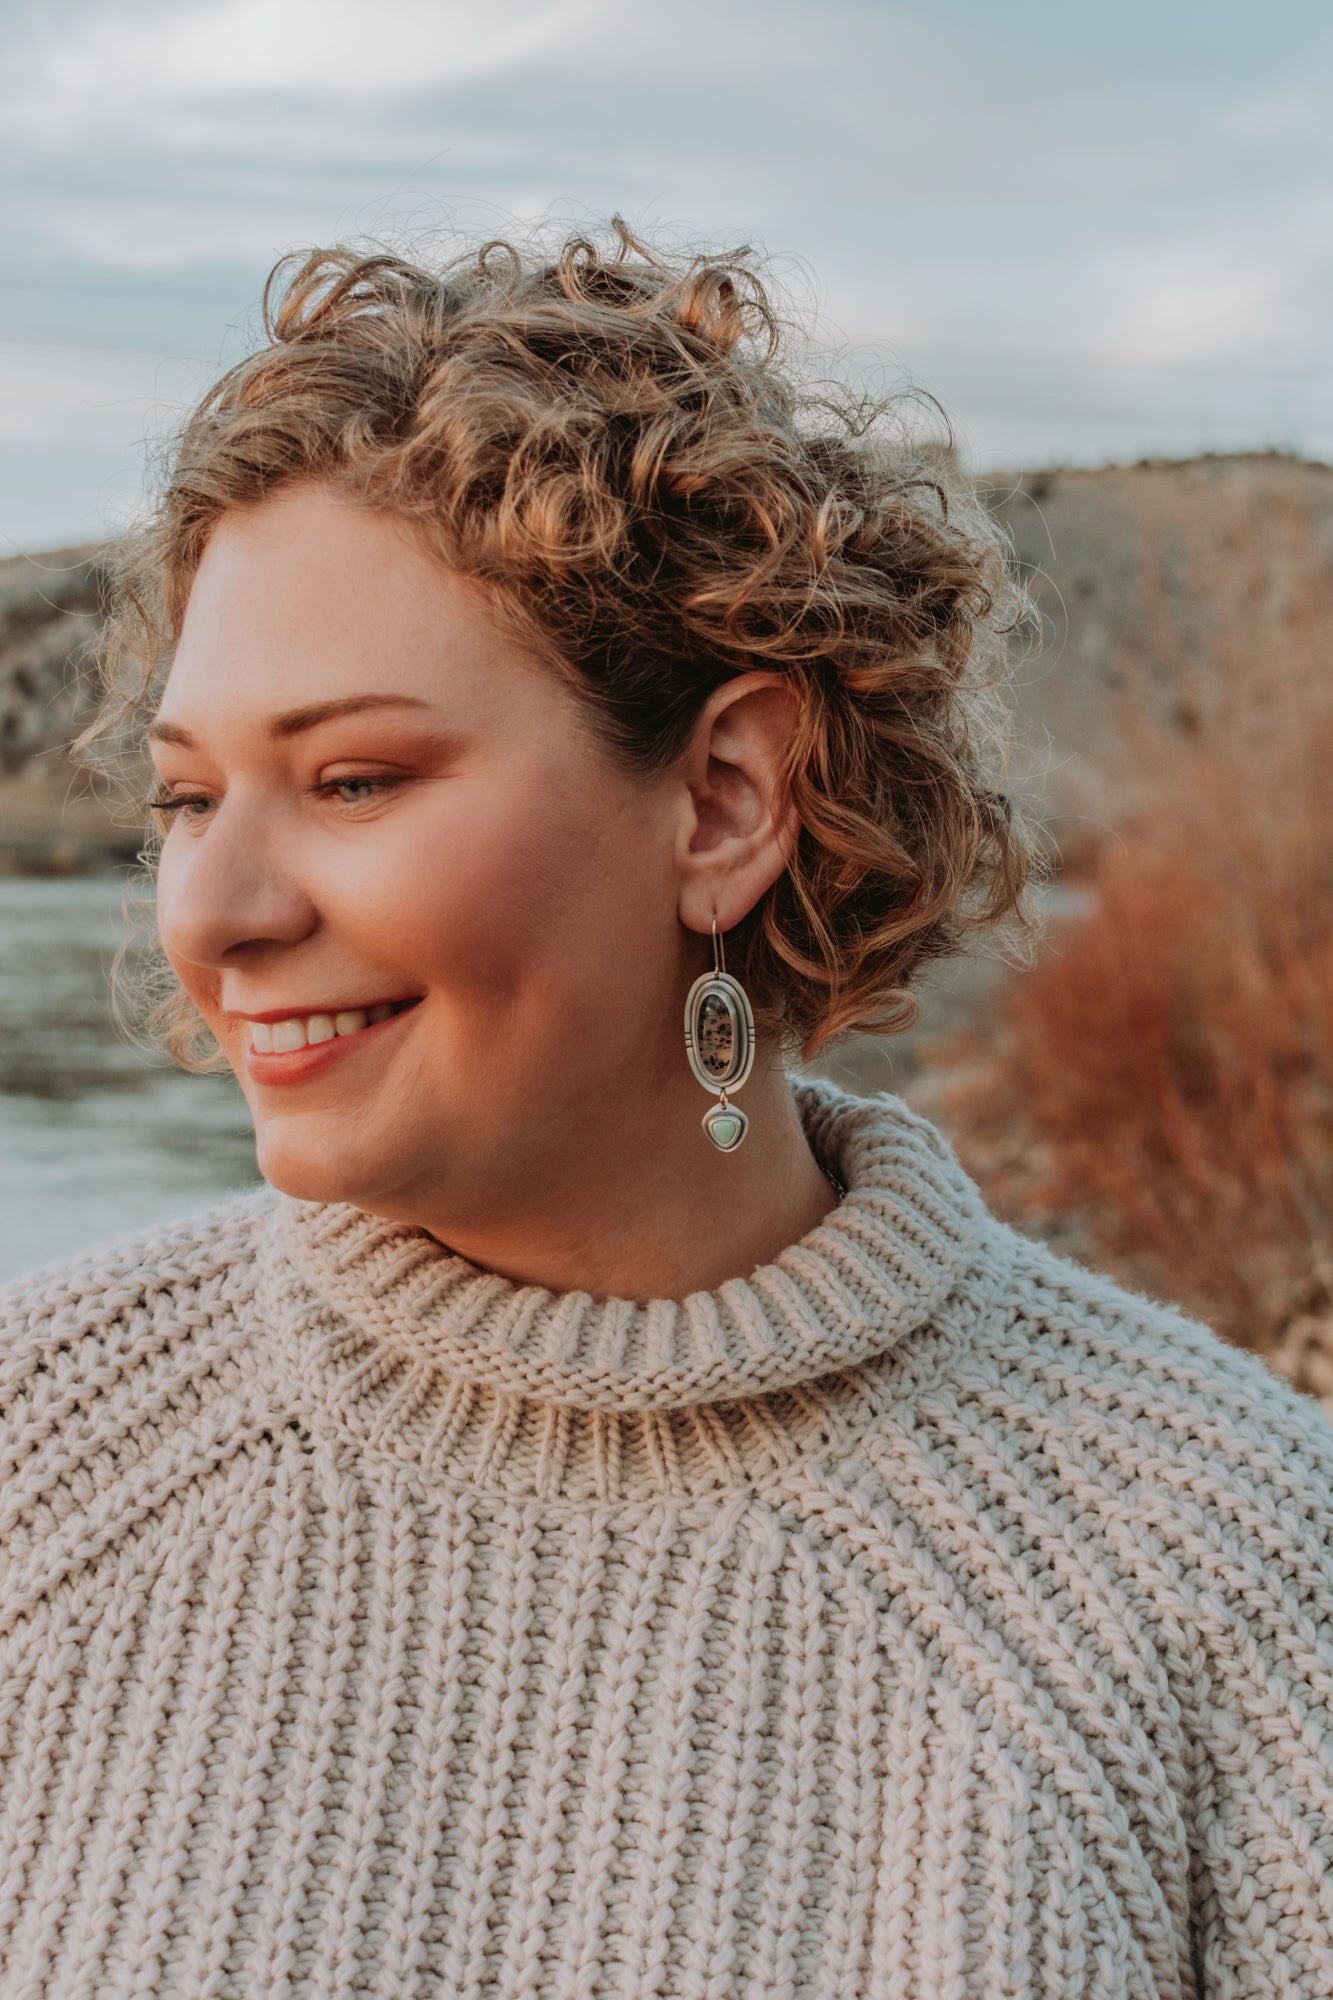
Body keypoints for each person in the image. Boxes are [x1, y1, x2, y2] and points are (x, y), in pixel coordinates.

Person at [2, 219, 1331, 2000]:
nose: (215, 912)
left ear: (718, 801)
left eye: (353, 779)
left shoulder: (1210, 1557)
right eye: (185, 799)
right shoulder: (44, 1461)